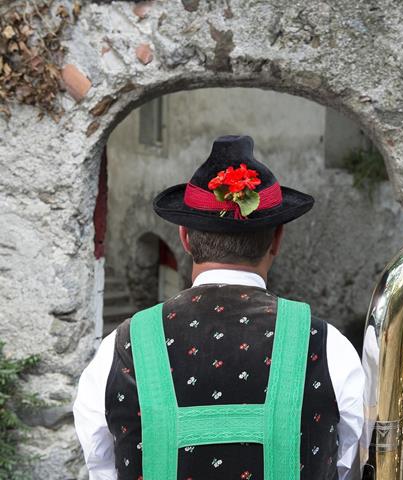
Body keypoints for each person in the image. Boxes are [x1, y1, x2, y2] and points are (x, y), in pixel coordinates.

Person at [73, 135, 365, 480]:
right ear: (277, 239)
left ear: (184, 237)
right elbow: (348, 464)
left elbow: (103, 467)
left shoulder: (118, 350)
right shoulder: (329, 347)